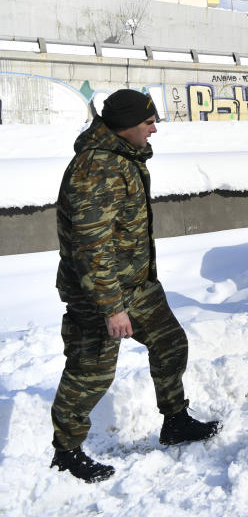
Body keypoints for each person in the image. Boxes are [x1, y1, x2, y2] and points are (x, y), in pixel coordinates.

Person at [50, 89, 221, 484]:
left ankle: (175, 421)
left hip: (136, 285)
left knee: (170, 342)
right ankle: (66, 451)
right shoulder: (96, 170)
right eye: (148, 123)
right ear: (126, 126)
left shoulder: (122, 159)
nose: (155, 129)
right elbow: (92, 246)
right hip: (98, 292)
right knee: (90, 373)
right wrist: (112, 307)